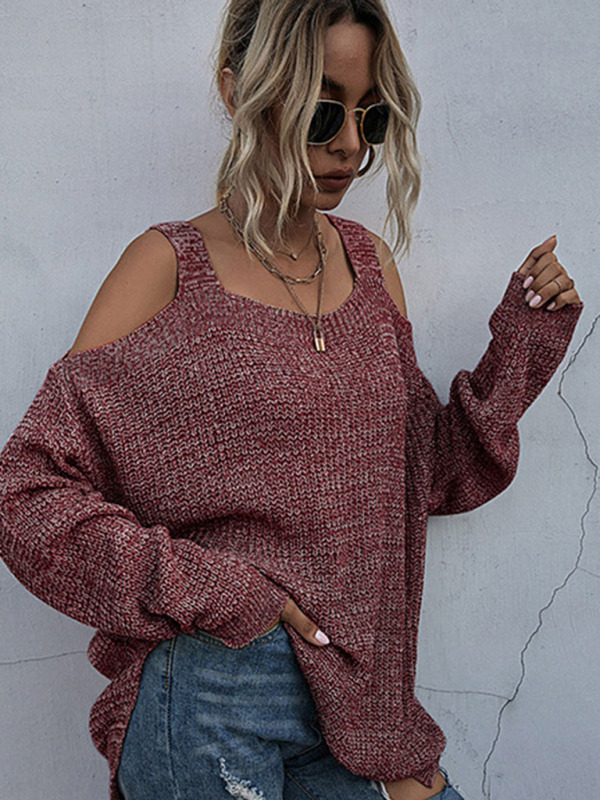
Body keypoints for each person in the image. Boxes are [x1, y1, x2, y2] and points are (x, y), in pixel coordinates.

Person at [0, 1, 583, 799]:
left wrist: (523, 341)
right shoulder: (167, 268)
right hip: (212, 696)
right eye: (321, 113)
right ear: (238, 92)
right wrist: (223, 592)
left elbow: (420, 474)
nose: (350, 145)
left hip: (360, 709)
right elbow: (26, 495)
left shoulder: (370, 269)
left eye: (371, 115)